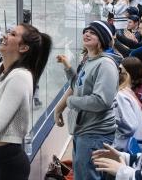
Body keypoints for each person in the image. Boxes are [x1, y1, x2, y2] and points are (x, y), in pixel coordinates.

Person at [0, 23, 52, 180]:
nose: (5, 35)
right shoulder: (3, 75)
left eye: (13, 34)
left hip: (7, 164)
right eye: (8, 32)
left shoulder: (20, 76)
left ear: (23, 48)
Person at [54, 20, 119, 180]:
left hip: (94, 134)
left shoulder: (105, 64)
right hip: (84, 131)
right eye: (86, 31)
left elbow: (101, 101)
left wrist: (71, 102)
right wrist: (68, 69)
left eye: (93, 32)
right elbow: (79, 84)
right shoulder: (90, 60)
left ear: (102, 39)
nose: (87, 34)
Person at [113, 64, 142, 151]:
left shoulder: (120, 96)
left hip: (125, 150)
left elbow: (130, 127)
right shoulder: (127, 92)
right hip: (133, 146)